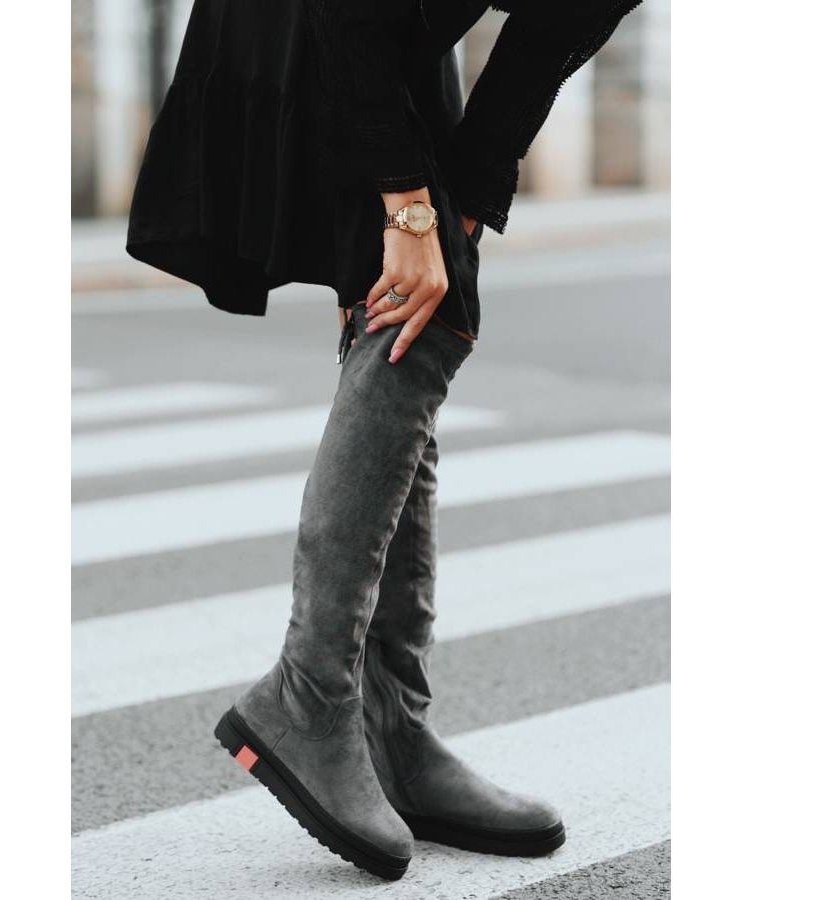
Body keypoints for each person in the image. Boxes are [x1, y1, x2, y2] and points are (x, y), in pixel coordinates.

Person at [127, 0, 641, 881]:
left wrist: (466, 197)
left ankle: (390, 728)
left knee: (419, 302)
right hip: (313, 20)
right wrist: (409, 207)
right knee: (426, 313)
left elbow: (554, 30)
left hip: (401, 39)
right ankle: (310, 692)